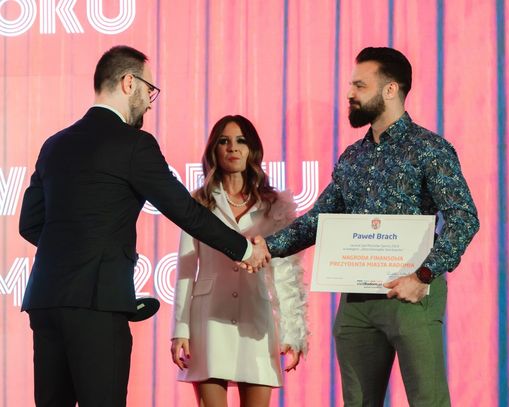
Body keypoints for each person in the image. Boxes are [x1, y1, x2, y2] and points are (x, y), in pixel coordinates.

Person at [18, 45, 269, 407]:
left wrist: (75, 250)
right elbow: (186, 211)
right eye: (149, 90)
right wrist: (245, 249)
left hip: (45, 301)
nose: (150, 104)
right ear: (128, 83)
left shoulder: (54, 145)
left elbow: (29, 224)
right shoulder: (134, 145)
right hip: (98, 303)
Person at [263, 47, 480, 406]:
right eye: (352, 85)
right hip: (357, 301)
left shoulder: (429, 148)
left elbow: (464, 218)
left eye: (360, 85)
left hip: (410, 293)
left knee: (428, 400)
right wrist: (263, 247)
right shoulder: (353, 157)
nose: (350, 93)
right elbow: (318, 221)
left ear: (390, 89)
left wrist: (424, 275)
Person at [170, 115, 308, 407]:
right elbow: (185, 269)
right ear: (214, 150)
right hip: (208, 320)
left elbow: (287, 272)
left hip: (256, 318)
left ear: (252, 150)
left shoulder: (274, 205)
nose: (232, 148)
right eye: (224, 141)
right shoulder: (197, 202)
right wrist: (180, 330)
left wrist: (293, 335)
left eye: (241, 141)